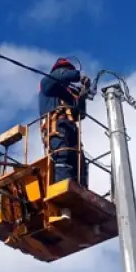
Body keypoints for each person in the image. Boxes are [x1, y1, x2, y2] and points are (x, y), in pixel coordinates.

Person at [38, 57, 91, 187]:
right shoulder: (48, 83)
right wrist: (78, 76)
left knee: (80, 163)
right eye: (66, 71)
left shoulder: (68, 94)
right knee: (62, 155)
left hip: (71, 128)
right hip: (56, 126)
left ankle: (80, 188)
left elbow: (80, 114)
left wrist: (82, 96)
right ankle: (64, 186)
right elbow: (61, 75)